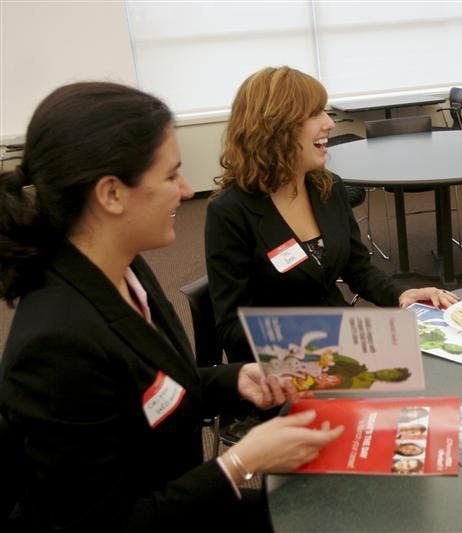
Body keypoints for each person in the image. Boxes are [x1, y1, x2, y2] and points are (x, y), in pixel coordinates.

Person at [0, 82, 343, 531]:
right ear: (111, 194)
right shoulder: (56, 345)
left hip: (183, 495)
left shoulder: (123, 267)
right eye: (170, 175)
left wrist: (236, 378)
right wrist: (241, 461)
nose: (185, 190)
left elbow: (149, 382)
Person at [205, 66, 459, 363]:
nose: (329, 123)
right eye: (314, 114)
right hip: (283, 370)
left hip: (343, 350)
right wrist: (321, 336)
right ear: (274, 129)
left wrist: (400, 295)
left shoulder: (328, 188)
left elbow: (357, 267)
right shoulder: (230, 213)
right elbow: (231, 328)